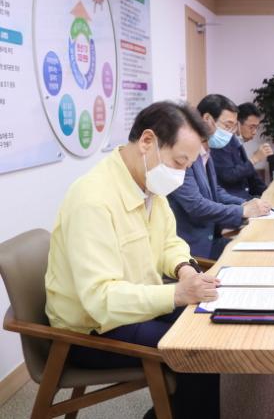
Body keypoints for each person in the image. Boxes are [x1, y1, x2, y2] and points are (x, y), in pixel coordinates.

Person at [45, 101, 222, 418]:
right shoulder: (92, 199)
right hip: (90, 331)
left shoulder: (148, 184)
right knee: (198, 350)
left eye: (188, 166)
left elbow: (168, 242)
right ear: (147, 141)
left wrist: (184, 269)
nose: (181, 174)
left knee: (207, 322)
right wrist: (177, 293)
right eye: (179, 162)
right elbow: (100, 300)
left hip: (135, 306)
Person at [168, 94, 270, 260]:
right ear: (207, 119)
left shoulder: (207, 151)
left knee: (260, 251)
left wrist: (244, 203)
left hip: (212, 238)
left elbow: (215, 190)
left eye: (233, 127)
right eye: (227, 126)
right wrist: (242, 210)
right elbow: (196, 206)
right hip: (192, 249)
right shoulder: (184, 156)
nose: (230, 133)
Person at [211, 102, 270, 200]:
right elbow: (228, 176)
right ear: (237, 123)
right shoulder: (221, 143)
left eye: (257, 127)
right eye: (251, 127)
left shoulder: (236, 142)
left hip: (245, 196)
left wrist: (268, 192)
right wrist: (254, 159)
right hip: (232, 200)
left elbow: (252, 177)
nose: (254, 132)